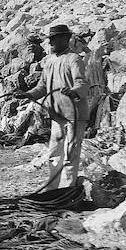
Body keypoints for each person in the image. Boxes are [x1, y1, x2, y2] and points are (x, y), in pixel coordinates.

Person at [24, 22, 89, 192]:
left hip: (74, 117)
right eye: (50, 40)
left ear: (65, 39)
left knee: (70, 156)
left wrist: (74, 91)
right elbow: (42, 86)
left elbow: (82, 83)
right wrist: (28, 95)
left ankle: (67, 190)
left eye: (54, 39)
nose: (51, 43)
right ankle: (52, 190)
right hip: (57, 117)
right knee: (54, 155)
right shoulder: (50, 61)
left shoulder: (74, 59)